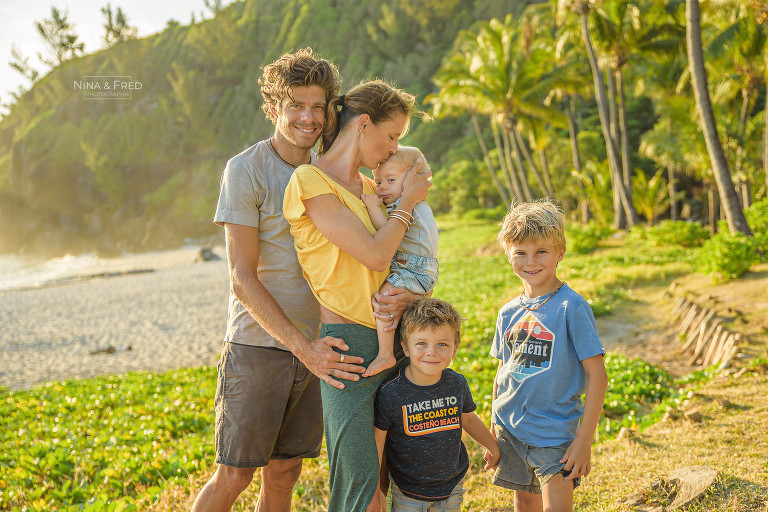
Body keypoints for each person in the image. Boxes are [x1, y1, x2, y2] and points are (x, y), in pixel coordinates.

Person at [192, 49, 368, 512]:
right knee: (234, 474)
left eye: (317, 106)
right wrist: (302, 348)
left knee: (286, 473)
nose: (308, 118)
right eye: (295, 105)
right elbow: (241, 279)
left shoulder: (335, 172)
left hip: (324, 345)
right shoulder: (246, 169)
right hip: (259, 346)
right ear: (273, 108)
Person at [283, 79, 432, 511]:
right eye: (392, 137)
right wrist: (406, 202)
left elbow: (409, 257)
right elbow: (372, 253)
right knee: (359, 489)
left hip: (397, 341)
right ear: (364, 125)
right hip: (348, 350)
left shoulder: (372, 190)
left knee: (399, 478)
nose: (392, 150)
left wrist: (410, 299)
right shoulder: (309, 180)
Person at [490, 200, 608, 512]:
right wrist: (493, 426)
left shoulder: (572, 307)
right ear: (508, 254)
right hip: (510, 430)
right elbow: (503, 371)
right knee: (524, 504)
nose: (530, 261)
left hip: (554, 433)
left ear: (560, 252)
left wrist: (584, 441)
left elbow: (598, 375)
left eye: (541, 251)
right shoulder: (507, 312)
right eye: (520, 252)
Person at [374, 298, 501, 511]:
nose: (431, 351)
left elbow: (468, 418)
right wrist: (375, 487)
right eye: (421, 343)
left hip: (452, 485)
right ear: (405, 347)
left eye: (442, 344)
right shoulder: (392, 392)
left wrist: (493, 447)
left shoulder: (456, 383)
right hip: (407, 490)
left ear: (455, 348)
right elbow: (378, 442)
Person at [361, 146, 439, 377]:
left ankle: (386, 353)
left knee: (385, 301)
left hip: (411, 267)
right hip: (425, 268)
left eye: (390, 180)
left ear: (413, 182)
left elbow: (387, 234)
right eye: (378, 182)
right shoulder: (422, 206)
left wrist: (374, 207)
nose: (382, 187)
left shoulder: (405, 205)